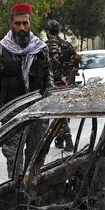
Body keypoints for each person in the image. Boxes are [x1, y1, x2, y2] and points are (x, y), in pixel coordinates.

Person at [0, 3, 50, 178]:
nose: (22, 28)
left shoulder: (41, 50)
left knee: (36, 160)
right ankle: (16, 199)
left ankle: (31, 198)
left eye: (25, 23)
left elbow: (48, 81)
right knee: (15, 165)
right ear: (11, 24)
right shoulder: (0, 51)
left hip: (38, 114)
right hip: (11, 115)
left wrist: (49, 107)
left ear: (30, 23)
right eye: (18, 24)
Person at [44, 19, 79, 151]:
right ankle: (59, 140)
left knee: (59, 113)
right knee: (64, 112)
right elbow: (76, 64)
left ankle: (68, 142)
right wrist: (68, 78)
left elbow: (45, 67)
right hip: (67, 84)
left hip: (53, 84)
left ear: (48, 31)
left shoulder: (44, 46)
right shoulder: (68, 45)